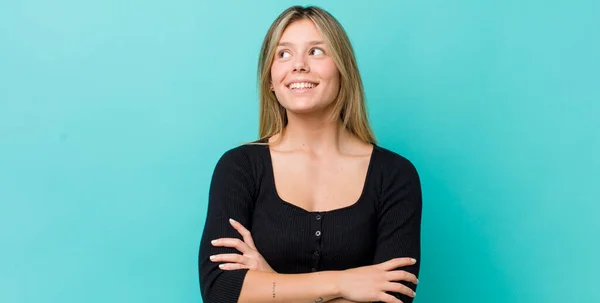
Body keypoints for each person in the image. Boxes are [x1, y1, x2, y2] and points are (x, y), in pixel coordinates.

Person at [198, 5, 422, 303]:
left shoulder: (394, 175)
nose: (298, 65)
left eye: (316, 52)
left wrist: (267, 282)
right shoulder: (239, 168)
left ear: (343, 69)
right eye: (283, 53)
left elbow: (392, 298)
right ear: (270, 79)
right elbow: (220, 291)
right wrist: (343, 284)